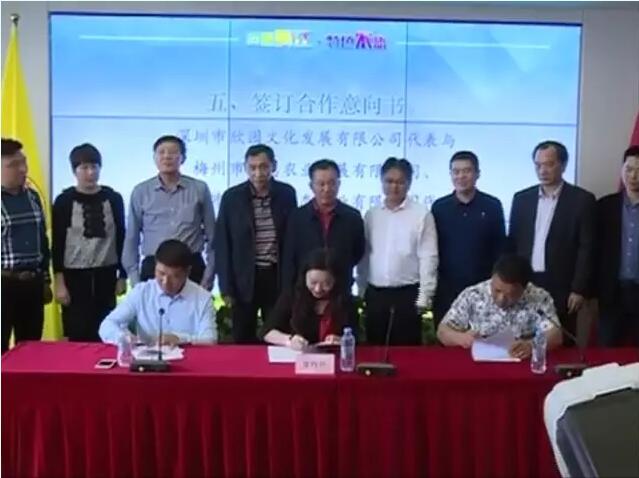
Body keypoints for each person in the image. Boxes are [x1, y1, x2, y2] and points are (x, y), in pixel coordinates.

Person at [508, 140, 596, 345]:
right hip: (526, 282)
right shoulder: (522, 199)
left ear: (563, 165)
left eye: (549, 164)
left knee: (561, 341)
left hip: (562, 285)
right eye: (538, 165)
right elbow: (513, 242)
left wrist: (579, 288)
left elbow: (587, 247)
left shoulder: (582, 200)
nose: (542, 170)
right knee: (522, 339)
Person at [215, 144, 297, 344]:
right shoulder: (232, 197)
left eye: (263, 167)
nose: (258, 173)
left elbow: (292, 239)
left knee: (277, 336)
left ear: (274, 166)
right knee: (242, 338)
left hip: (276, 276)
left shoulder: (286, 194)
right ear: (245, 168)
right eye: (252, 167)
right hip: (244, 277)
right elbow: (223, 244)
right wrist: (226, 286)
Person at [357, 157, 438, 345]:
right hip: (376, 294)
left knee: (407, 351)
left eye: (400, 182)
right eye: (389, 181)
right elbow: (365, 255)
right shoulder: (371, 214)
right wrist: (361, 289)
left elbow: (428, 256)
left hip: (407, 294)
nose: (394, 187)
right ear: (381, 181)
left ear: (409, 183)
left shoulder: (421, 214)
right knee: (375, 348)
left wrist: (425, 296)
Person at [52, 144, 127, 341]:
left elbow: (122, 236)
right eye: (84, 167)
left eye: (94, 166)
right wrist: (59, 282)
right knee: (77, 330)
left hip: (106, 274)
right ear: (74, 171)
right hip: (74, 276)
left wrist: (122, 275)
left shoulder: (113, 198)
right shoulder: (64, 201)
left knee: (106, 329)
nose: (90, 173)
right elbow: (57, 243)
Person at [122, 135, 216, 290]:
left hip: (191, 267)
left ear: (183, 158)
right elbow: (132, 238)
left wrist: (208, 277)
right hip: (154, 268)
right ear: (154, 158)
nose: (166, 156)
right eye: (161, 152)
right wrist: (134, 279)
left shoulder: (199, 189)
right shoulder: (141, 191)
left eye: (173, 152)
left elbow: (213, 237)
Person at [431, 151, 505, 328]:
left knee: (482, 340)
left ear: (477, 174)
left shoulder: (492, 205)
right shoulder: (439, 207)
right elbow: (433, 249)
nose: (461, 176)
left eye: (467, 171)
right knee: (447, 339)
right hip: (447, 291)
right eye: (456, 172)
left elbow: (501, 248)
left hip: (483, 290)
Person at [437, 254, 562, 359]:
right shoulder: (473, 294)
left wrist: (531, 345)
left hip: (520, 362)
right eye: (497, 290)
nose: (501, 299)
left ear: (524, 289)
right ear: (492, 278)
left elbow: (556, 335)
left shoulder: (538, 297)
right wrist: (461, 338)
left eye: (510, 295)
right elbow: (443, 331)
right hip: (480, 363)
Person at [99, 239, 217, 345]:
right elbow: (107, 325)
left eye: (174, 277)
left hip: (189, 359)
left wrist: (180, 339)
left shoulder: (202, 298)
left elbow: (210, 339)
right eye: (161, 273)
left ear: (187, 272)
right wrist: (124, 338)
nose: (165, 282)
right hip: (147, 359)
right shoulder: (142, 292)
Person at [282, 159, 365, 293]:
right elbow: (290, 258)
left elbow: (357, 252)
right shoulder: (297, 217)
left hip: (340, 289)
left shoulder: (352, 217)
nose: (327, 189)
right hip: (305, 291)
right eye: (321, 184)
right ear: (311, 186)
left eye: (332, 183)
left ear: (339, 184)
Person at [1, 138, 53, 353]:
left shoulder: (32, 196)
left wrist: (46, 280)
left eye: (23, 162)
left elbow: (43, 242)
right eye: (13, 165)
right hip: (4, 283)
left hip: (33, 283)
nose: (22, 169)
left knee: (31, 349)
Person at [262, 248, 358, 349]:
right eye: (313, 282)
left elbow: (356, 337)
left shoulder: (345, 301)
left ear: (335, 280)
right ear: (304, 278)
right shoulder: (292, 296)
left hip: (334, 355)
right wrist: (289, 340)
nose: (318, 289)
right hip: (297, 355)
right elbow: (266, 332)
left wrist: (342, 340)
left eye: (326, 284)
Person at [596, 146, 639, 346]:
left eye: (638, 171)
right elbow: (594, 249)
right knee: (608, 352)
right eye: (629, 169)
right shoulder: (604, 206)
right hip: (612, 293)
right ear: (621, 169)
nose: (633, 176)